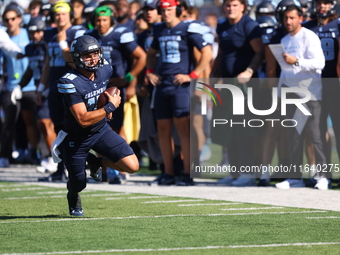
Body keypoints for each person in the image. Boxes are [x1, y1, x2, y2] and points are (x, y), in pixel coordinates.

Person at [54, 35, 139, 216]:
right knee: (79, 182)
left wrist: (104, 106)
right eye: (87, 56)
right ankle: (73, 195)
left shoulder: (105, 68)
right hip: (76, 136)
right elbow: (83, 119)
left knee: (132, 166)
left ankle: (95, 161)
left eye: (95, 54)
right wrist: (109, 106)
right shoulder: (68, 81)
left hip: (100, 129)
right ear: (77, 58)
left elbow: (101, 91)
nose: (93, 59)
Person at [146, 0, 212, 185]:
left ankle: (187, 173)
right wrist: (150, 72)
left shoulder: (188, 28)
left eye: (170, 9)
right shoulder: (158, 30)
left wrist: (192, 75)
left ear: (178, 10)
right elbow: (150, 54)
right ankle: (168, 173)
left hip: (180, 86)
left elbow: (207, 53)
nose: (166, 13)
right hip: (162, 85)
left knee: (184, 130)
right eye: (163, 10)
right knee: (163, 130)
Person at [274, 4, 328, 189]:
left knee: (316, 136)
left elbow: (320, 63)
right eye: (286, 18)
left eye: (292, 17)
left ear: (300, 18)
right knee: (294, 136)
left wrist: (297, 61)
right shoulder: (284, 40)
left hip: (311, 94)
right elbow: (284, 71)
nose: (288, 21)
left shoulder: (309, 36)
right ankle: (295, 177)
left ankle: (323, 177)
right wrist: (280, 94)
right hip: (291, 96)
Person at [213, 0, 264, 186]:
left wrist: (249, 71)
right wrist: (212, 76)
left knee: (245, 130)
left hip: (245, 87)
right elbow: (221, 54)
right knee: (228, 129)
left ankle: (249, 172)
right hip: (226, 85)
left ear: (243, 6)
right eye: (228, 5)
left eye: (235, 5)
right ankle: (234, 172)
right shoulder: (222, 25)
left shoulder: (250, 26)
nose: (230, 8)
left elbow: (260, 52)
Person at [36, 1, 86, 181]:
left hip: (71, 86)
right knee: (58, 128)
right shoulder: (49, 33)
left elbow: (73, 62)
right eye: (57, 14)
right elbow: (48, 62)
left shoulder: (78, 32)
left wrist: (63, 42)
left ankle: (73, 168)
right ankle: (60, 168)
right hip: (54, 84)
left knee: (71, 127)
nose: (60, 17)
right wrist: (41, 87)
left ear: (70, 15)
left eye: (63, 14)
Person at [302, 0, 338, 189]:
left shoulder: (338, 24)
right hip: (313, 85)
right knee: (317, 130)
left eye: (326, 2)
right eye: (319, 2)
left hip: (335, 83)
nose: (322, 6)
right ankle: (324, 174)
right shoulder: (306, 28)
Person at [0, 3, 38, 167]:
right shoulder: (3, 35)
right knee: (8, 123)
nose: (10, 22)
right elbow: (6, 55)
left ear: (20, 19)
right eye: (6, 19)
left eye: (13, 18)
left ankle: (38, 154)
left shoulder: (28, 34)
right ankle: (4, 156)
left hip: (31, 85)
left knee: (35, 122)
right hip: (11, 86)